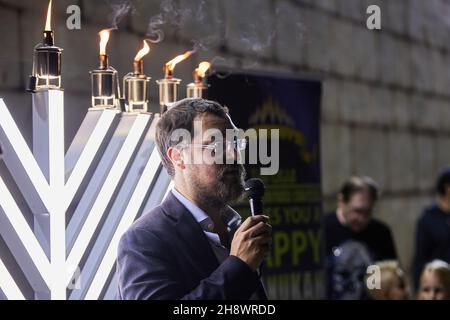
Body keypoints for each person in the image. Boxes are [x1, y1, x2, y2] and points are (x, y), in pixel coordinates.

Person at [116, 98, 272, 300]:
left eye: (235, 143)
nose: (234, 155)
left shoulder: (236, 228)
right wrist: (239, 266)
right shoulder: (144, 239)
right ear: (179, 157)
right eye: (215, 145)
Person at [323, 176, 397, 299]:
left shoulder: (380, 233)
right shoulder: (324, 229)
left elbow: (391, 278)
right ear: (342, 202)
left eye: (367, 212)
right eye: (357, 211)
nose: (362, 219)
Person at [412, 167, 450, 290]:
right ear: (447, 188)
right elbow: (420, 259)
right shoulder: (429, 219)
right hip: (438, 285)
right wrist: (419, 288)